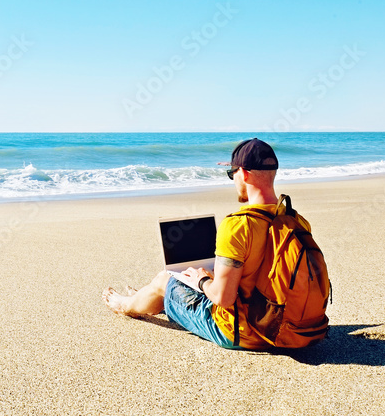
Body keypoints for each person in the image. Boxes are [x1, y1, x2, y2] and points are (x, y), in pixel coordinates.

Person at [101, 138, 282, 350]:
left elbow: (223, 299)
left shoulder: (238, 225)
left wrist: (203, 280)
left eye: (231, 173)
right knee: (180, 282)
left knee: (165, 279)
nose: (233, 179)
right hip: (286, 327)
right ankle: (147, 298)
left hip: (243, 333)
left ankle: (126, 305)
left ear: (243, 173)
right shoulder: (293, 220)